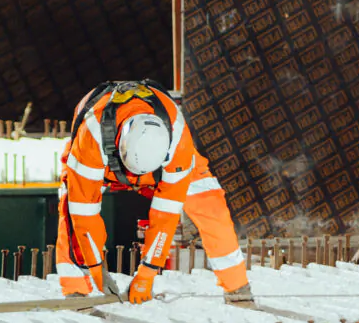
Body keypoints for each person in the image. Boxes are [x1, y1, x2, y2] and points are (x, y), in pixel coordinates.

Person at [54, 79, 251, 305]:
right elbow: (84, 215)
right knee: (70, 212)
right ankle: (76, 292)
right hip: (104, 163)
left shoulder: (177, 138)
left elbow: (166, 215)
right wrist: (97, 268)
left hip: (161, 167)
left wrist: (147, 273)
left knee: (209, 203)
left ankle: (238, 289)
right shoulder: (92, 136)